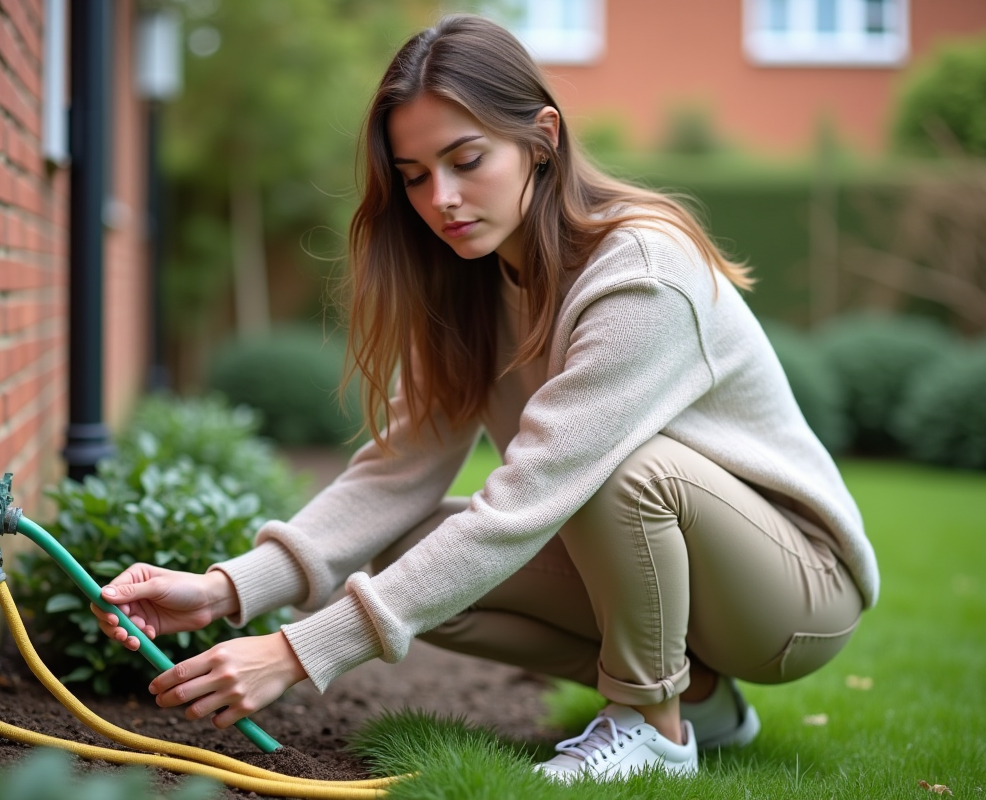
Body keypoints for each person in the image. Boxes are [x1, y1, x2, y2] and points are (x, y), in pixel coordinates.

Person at [91, 14, 878, 782]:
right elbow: (394, 474)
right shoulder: (472, 284)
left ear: (542, 139)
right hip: (671, 557)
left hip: (792, 594)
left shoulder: (641, 274)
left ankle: (654, 729)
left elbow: (532, 495)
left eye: (466, 160)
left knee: (621, 466)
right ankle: (696, 698)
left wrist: (298, 651)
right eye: (415, 177)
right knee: (404, 546)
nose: (441, 199)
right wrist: (224, 589)